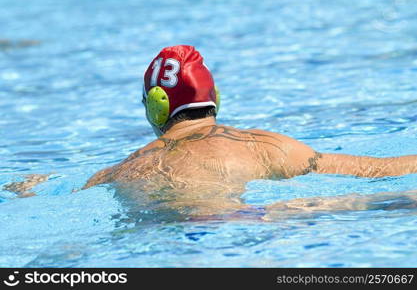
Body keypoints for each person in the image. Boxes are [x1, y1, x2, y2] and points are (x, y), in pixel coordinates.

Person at [6, 45, 417, 219]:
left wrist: (26, 188)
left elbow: (60, 196)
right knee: (368, 199)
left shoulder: (121, 171)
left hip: (162, 242)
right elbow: (378, 166)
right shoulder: (263, 147)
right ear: (214, 96)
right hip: (254, 222)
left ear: (156, 104)